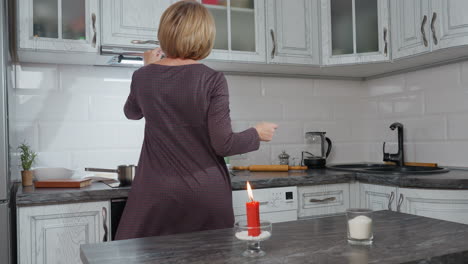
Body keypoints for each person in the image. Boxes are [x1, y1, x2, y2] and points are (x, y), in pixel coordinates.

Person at [115, 1, 278, 240]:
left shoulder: (142, 76)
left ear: (165, 34)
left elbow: (132, 112)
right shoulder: (212, 80)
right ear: (205, 36)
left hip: (156, 193)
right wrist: (257, 133)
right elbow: (224, 144)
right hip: (204, 192)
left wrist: (148, 68)